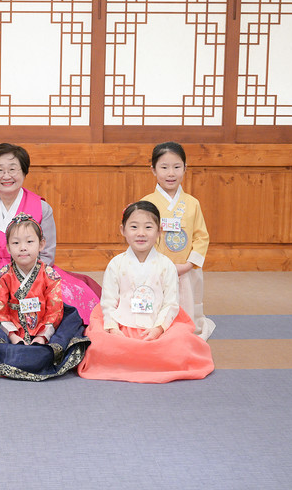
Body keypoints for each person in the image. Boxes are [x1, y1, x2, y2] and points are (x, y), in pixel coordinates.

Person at [0, 143, 100, 324]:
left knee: (63, 293)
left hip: (31, 270)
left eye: (12, 169)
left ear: (24, 172)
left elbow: (47, 253)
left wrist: (25, 280)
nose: (6, 176)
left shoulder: (42, 207)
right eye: (0, 170)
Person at [77, 201, 214, 383]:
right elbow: (108, 301)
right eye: (134, 227)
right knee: (98, 343)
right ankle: (144, 358)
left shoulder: (167, 265)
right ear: (123, 230)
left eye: (148, 227)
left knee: (181, 341)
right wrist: (113, 328)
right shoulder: (116, 264)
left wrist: (158, 329)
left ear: (159, 232)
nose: (141, 233)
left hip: (157, 324)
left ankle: (136, 357)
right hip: (123, 324)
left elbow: (171, 303)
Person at [0, 213, 89, 380]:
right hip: (9, 327)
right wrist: (12, 336)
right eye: (16, 243)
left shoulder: (50, 276)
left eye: (29, 242)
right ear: (8, 248)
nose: (23, 247)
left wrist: (42, 337)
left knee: (63, 332)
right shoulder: (1, 276)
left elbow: (54, 310)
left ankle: (31, 353)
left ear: (41, 244)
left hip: (43, 325)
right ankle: (20, 352)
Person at [142, 142, 215, 340]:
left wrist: (189, 264)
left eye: (176, 167)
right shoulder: (147, 203)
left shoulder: (192, 203)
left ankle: (186, 331)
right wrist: (155, 263)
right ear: (153, 170)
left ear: (185, 168)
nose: (171, 173)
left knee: (187, 304)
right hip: (157, 267)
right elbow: (142, 235)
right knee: (157, 303)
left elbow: (201, 236)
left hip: (186, 268)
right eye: (164, 167)